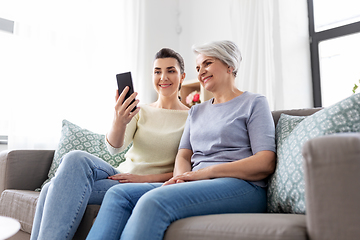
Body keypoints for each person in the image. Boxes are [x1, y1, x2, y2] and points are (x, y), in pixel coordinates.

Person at [85, 40, 276, 240]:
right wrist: (179, 179)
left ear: (230, 65)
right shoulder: (196, 111)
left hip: (243, 186)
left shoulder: (254, 103)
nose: (201, 71)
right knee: (119, 195)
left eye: (207, 63)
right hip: (198, 182)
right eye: (198, 67)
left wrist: (206, 172)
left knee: (153, 201)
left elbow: (266, 161)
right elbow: (183, 155)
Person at [30, 48, 189, 240]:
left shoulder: (192, 117)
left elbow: (190, 170)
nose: (163, 77)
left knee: (50, 189)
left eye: (171, 70)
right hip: (119, 174)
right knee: (75, 158)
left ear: (182, 76)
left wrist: (145, 178)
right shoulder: (141, 111)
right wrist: (119, 119)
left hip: (147, 184)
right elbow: (114, 148)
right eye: (157, 71)